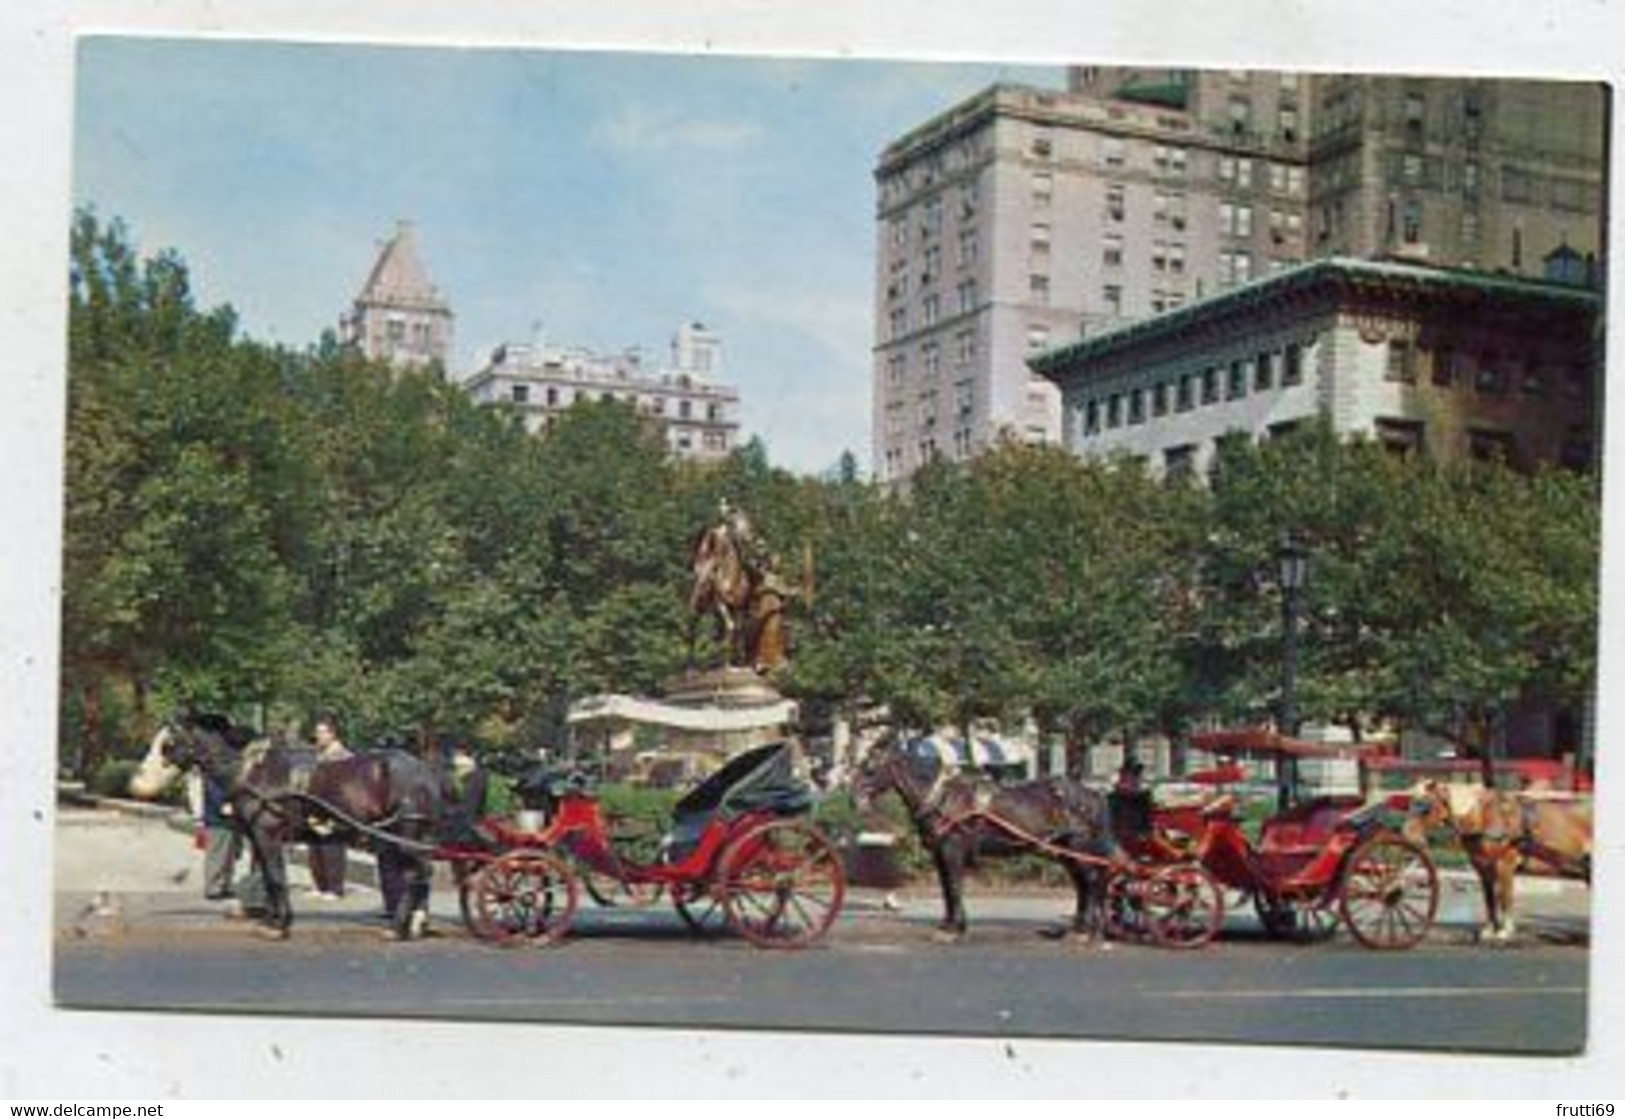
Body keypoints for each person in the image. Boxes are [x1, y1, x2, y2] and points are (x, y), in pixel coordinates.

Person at [307, 713, 352, 900]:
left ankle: (335, 888)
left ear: (333, 734)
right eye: (317, 732)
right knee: (315, 847)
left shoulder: (342, 756)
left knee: (332, 846)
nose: (318, 736)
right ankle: (320, 885)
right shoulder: (320, 755)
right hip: (317, 806)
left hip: (335, 807)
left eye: (322, 732)